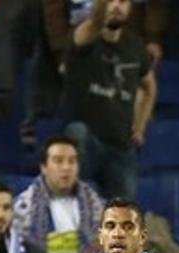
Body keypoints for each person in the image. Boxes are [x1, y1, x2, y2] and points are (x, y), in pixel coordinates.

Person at [62, 0, 157, 200]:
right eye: (110, 0)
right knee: (76, 132)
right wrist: (102, 9)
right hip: (87, 141)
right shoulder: (83, 37)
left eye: (122, 1)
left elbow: (149, 87)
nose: (116, 6)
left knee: (125, 217)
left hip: (120, 146)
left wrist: (140, 127)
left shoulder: (135, 45)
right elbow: (94, 25)